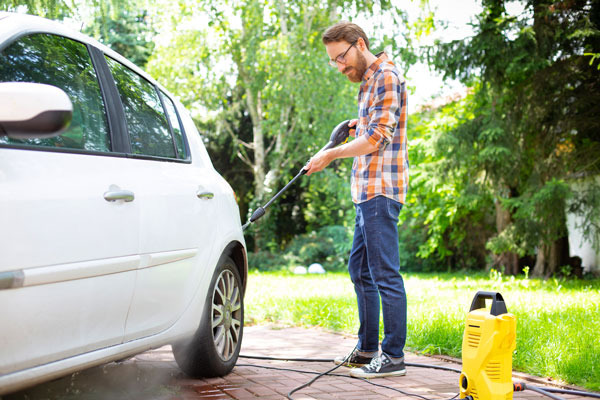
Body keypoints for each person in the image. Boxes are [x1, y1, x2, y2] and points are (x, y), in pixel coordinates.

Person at [304, 21, 409, 379]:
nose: (339, 67)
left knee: (384, 274)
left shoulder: (386, 77)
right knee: (360, 269)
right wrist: (356, 124)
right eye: (333, 61)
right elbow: (372, 127)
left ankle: (393, 356)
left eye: (341, 58)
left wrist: (331, 155)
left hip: (381, 189)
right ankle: (367, 349)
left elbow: (378, 138)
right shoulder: (367, 83)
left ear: (359, 44)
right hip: (366, 192)